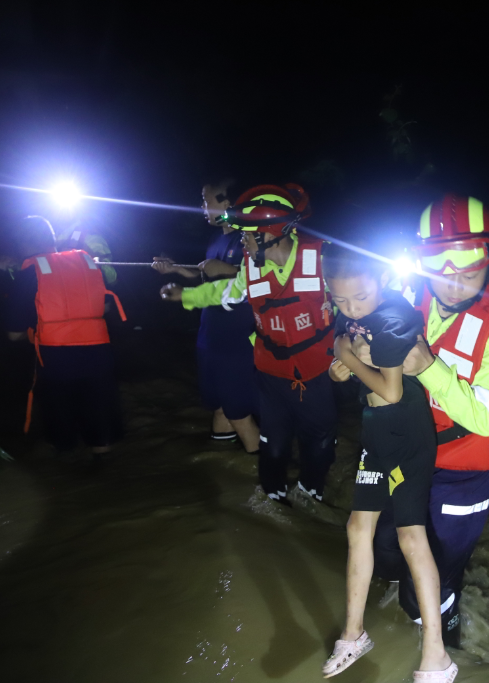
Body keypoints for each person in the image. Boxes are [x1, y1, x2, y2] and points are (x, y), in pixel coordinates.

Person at [367, 194, 489, 649]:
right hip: (414, 451)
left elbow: (486, 417)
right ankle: (404, 605)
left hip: (466, 472)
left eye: (469, 273)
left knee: (440, 567)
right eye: (442, 272)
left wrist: (429, 368)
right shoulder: (410, 295)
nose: (454, 285)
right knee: (385, 544)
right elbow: (368, 325)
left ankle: (447, 644)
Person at [322, 245, 455, 681]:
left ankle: (437, 657)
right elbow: (355, 368)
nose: (350, 307)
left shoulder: (396, 318)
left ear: (380, 281)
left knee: (410, 537)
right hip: (375, 430)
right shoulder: (351, 313)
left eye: (359, 297)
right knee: (357, 527)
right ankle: (353, 634)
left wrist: (346, 357)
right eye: (340, 300)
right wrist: (339, 369)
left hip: (408, 433)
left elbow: (394, 390)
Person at [162, 183, 337, 504]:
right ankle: (273, 500)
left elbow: (360, 304)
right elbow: (226, 293)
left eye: (248, 233)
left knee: (319, 441)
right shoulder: (250, 265)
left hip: (317, 374)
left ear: (273, 233)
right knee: (273, 444)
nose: (242, 239)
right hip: (271, 374)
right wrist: (186, 296)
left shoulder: (324, 260)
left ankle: (312, 495)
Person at [0, 215, 126, 456]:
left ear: (22, 246)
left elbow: (13, 335)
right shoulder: (85, 262)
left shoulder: (29, 274)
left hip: (56, 360)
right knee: (102, 433)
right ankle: (107, 474)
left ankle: (66, 478)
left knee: (62, 441)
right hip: (99, 354)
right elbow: (107, 307)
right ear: (53, 239)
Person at [155, 179, 260, 450]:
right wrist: (176, 269)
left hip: (236, 338)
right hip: (210, 334)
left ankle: (265, 480)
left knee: (238, 411)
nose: (202, 206)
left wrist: (224, 269)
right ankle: (225, 471)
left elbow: (261, 281)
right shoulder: (217, 238)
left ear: (227, 203)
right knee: (220, 407)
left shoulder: (249, 237)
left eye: (206, 200)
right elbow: (208, 280)